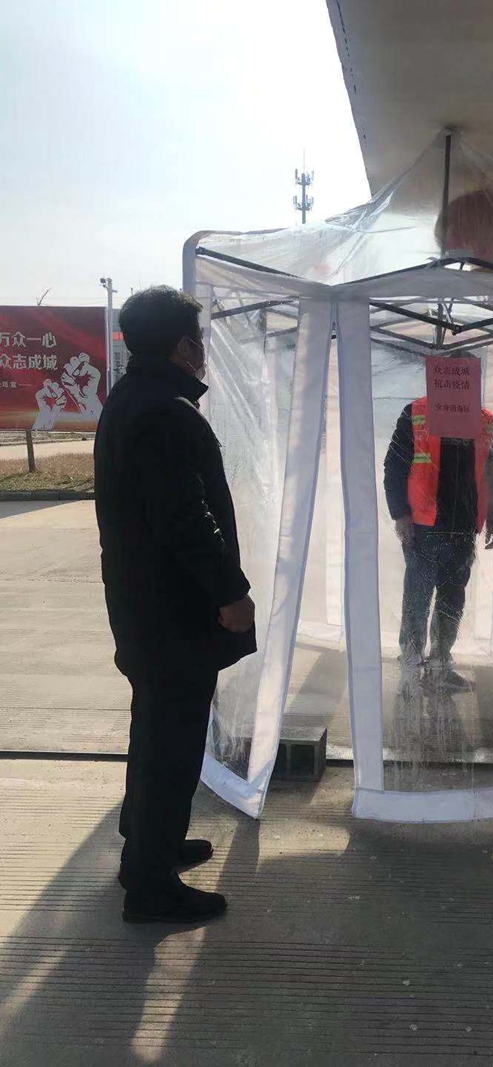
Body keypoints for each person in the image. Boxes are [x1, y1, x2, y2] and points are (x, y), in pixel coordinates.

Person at [94, 286, 256, 925]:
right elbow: (186, 519)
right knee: (172, 745)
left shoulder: (132, 399)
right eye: (200, 339)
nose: (204, 350)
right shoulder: (165, 412)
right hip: (173, 615)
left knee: (154, 733)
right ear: (184, 346)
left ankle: (147, 846)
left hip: (146, 609)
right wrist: (230, 592)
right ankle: (151, 887)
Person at [384, 395, 493, 691]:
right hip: (423, 527)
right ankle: (411, 667)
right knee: (417, 598)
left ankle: (439, 667)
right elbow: (395, 466)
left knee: (452, 599)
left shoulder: (485, 420)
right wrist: (400, 514)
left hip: (462, 528)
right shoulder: (416, 412)